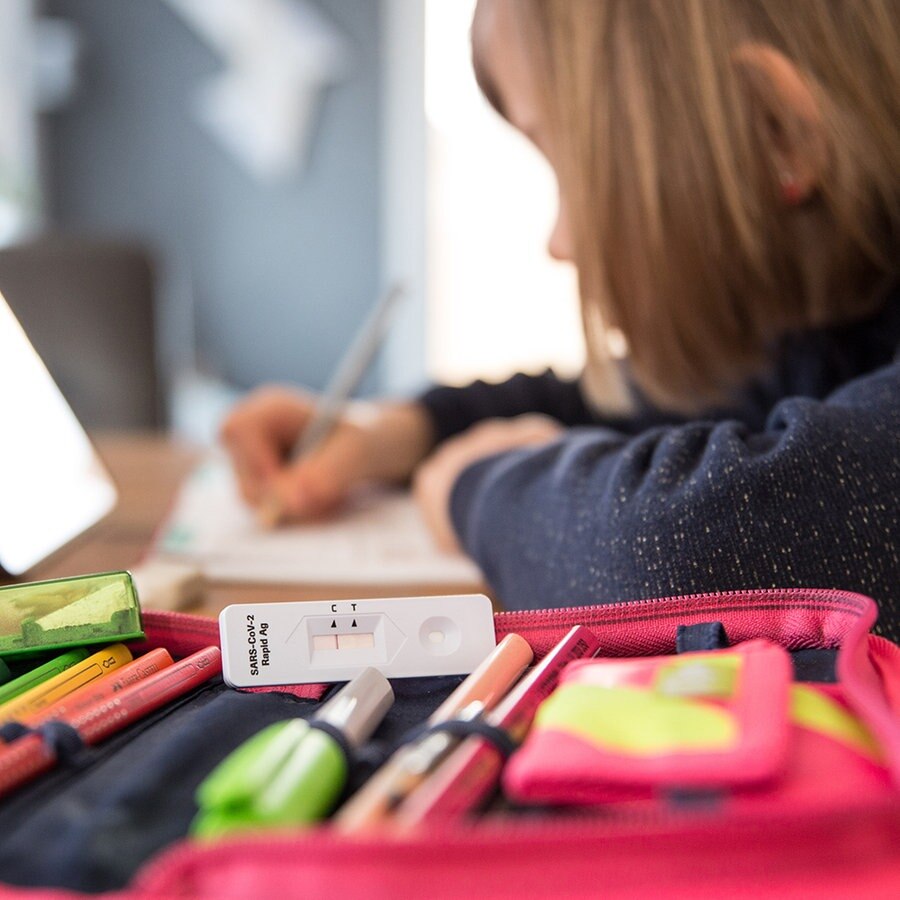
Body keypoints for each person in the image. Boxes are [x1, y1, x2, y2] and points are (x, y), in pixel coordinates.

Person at [221, 0, 900, 640]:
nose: (559, 241)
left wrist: (477, 490)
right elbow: (621, 403)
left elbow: (700, 548)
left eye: (573, 166)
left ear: (776, 125)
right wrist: (400, 433)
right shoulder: (828, 322)